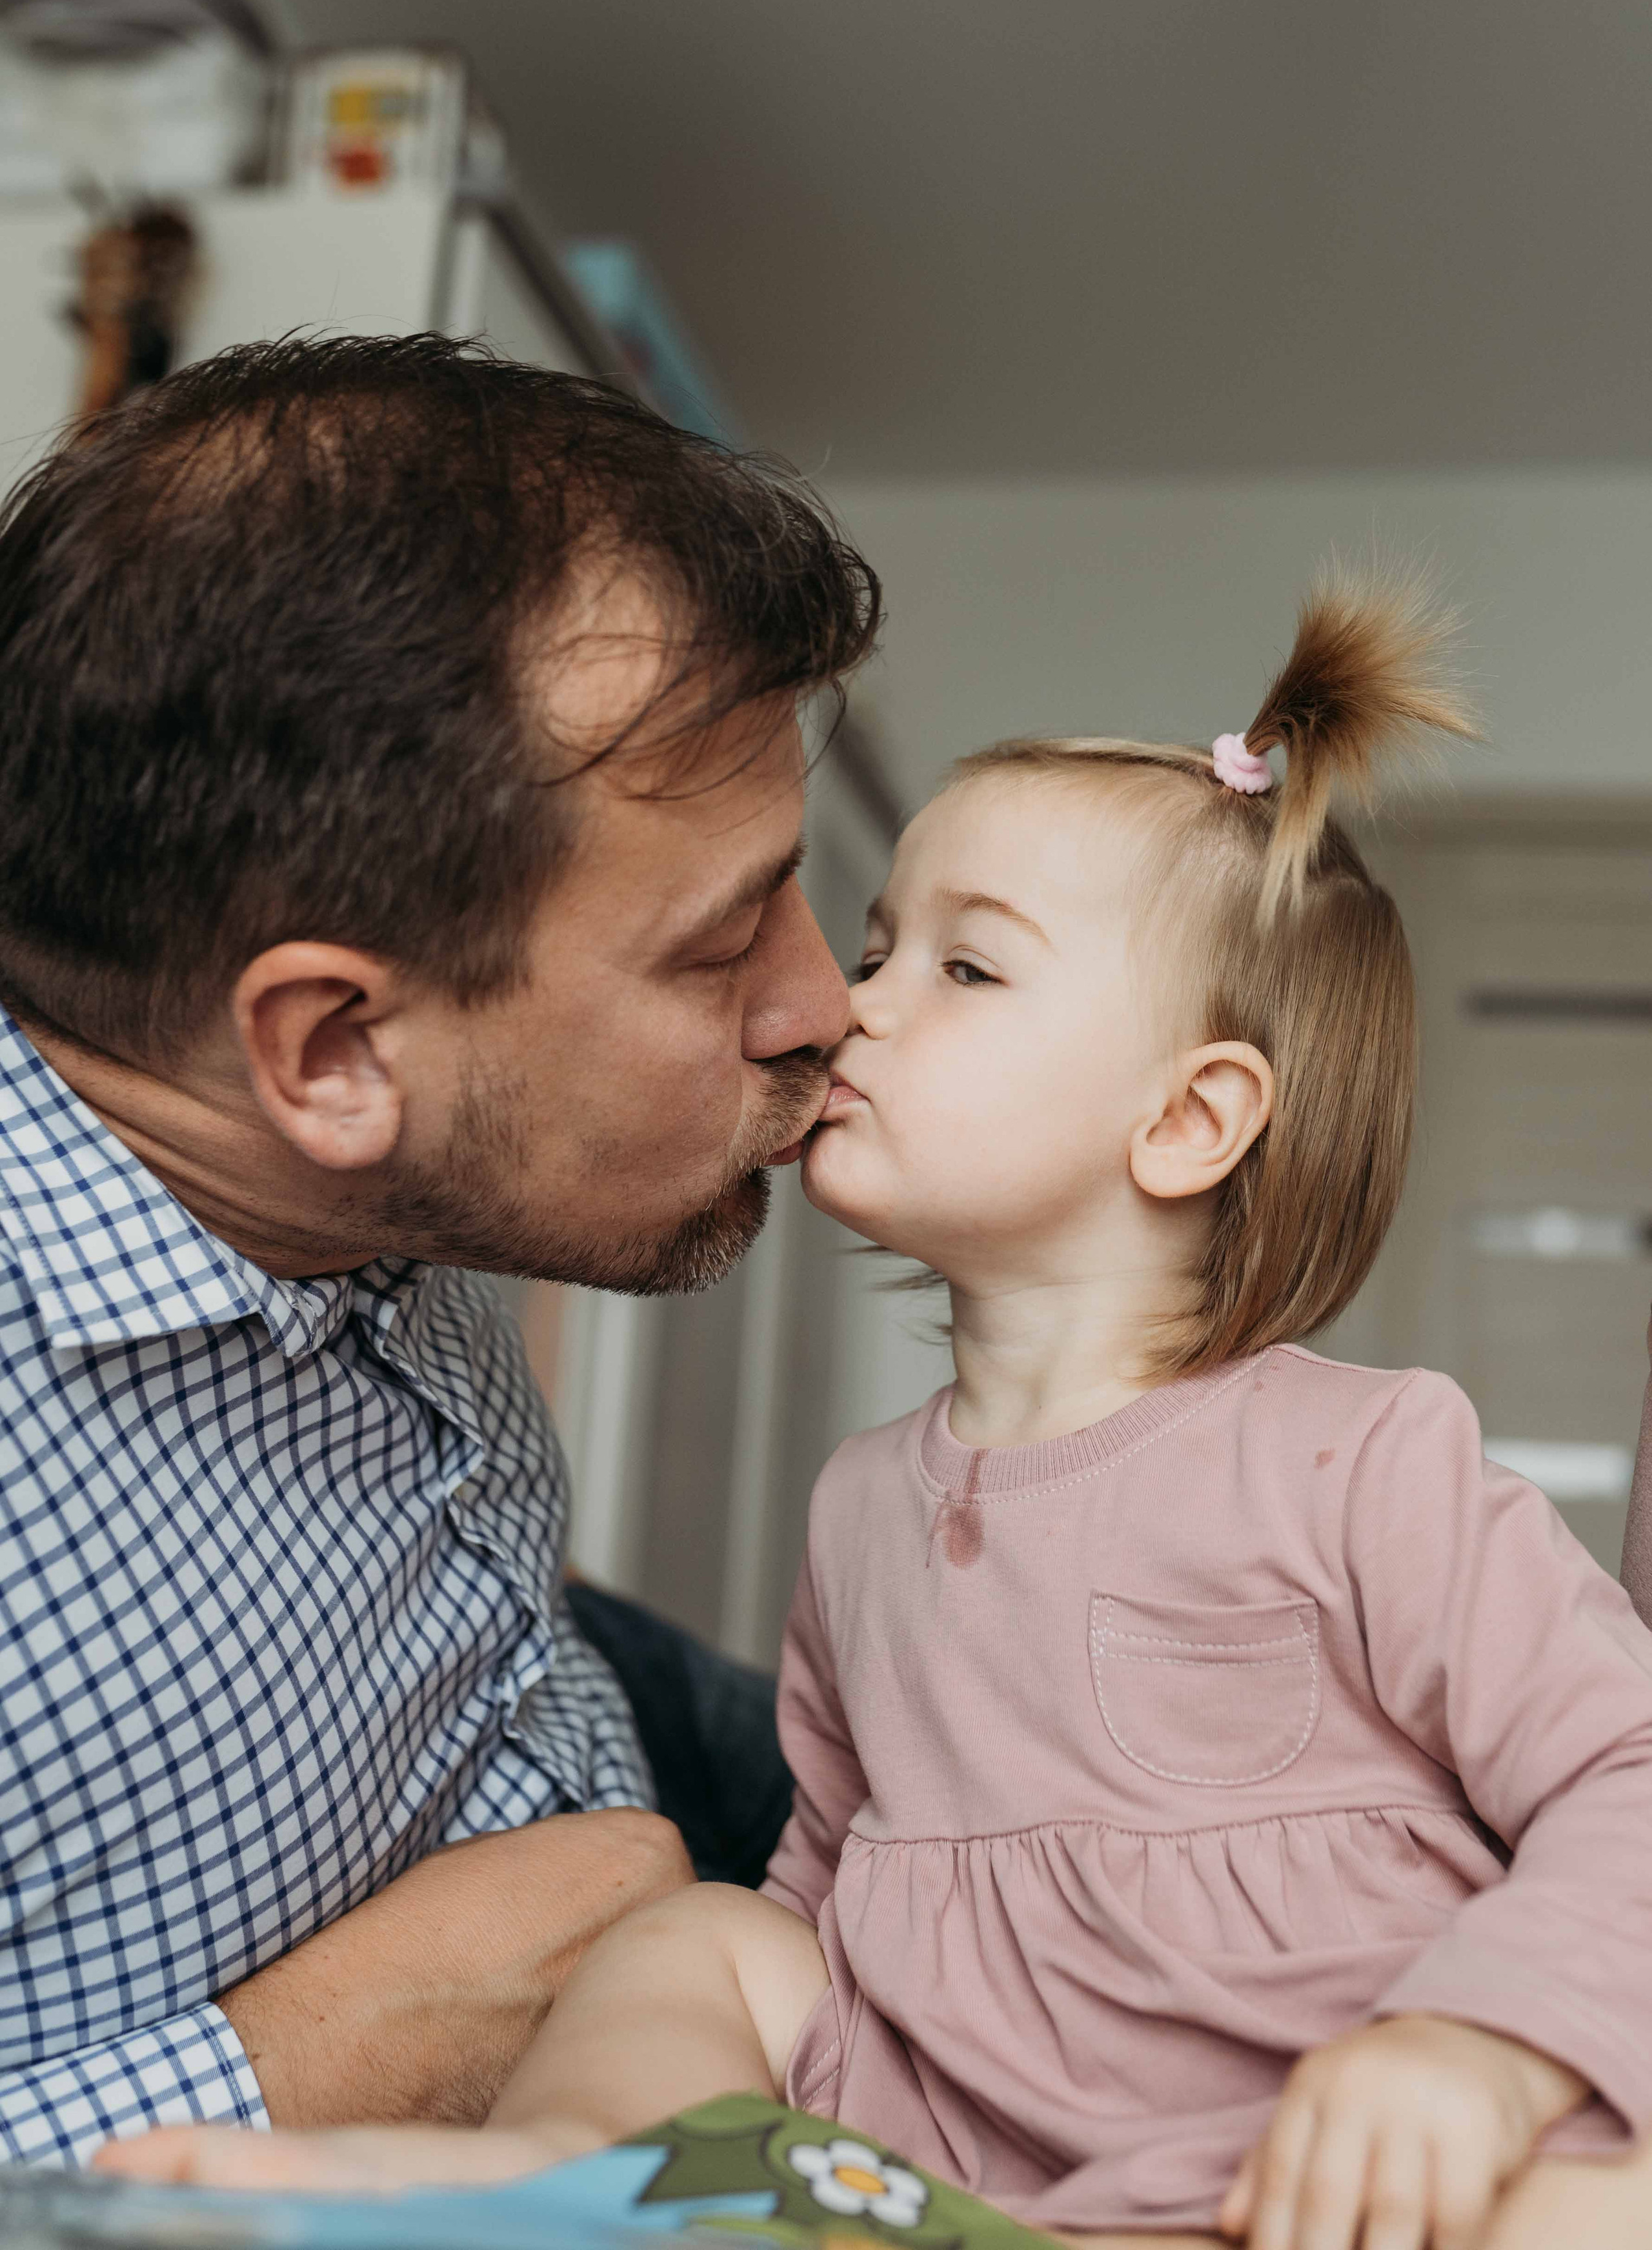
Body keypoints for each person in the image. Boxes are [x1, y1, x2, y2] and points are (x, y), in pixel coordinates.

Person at [116, 579, 1652, 2250]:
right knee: (713, 1938)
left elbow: (1624, 1770)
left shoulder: (1365, 1459)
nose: (856, 1005)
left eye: (969, 966)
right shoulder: (865, 1505)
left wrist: (1478, 2053)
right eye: (877, 948)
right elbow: (835, 1878)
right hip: (954, 2168)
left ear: (1192, 1118)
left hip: (1322, 2171)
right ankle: (570, 2179)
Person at [0, 332, 878, 2162]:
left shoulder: (288, 1130)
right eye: (724, 946)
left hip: (587, 1706)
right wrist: (304, 2063)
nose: (825, 1006)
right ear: (328, 1052)